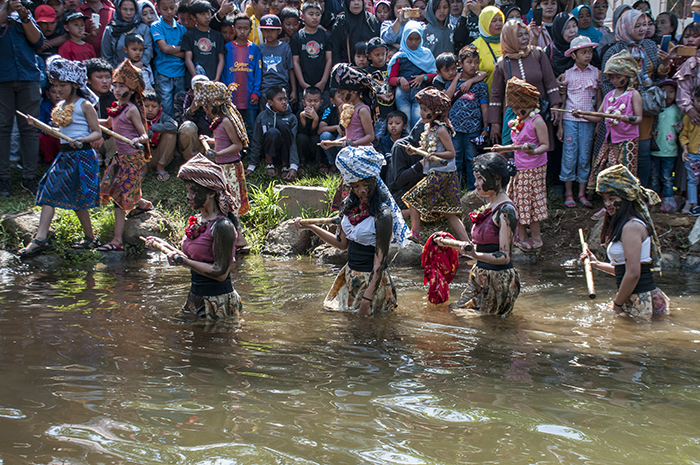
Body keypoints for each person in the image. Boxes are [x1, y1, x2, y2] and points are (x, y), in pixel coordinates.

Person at [294, 146, 408, 315]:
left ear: (375, 182)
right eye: (356, 186)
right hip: (350, 275)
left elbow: (379, 263)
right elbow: (341, 244)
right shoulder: (349, 207)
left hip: (372, 281)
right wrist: (311, 227)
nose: (361, 190)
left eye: (365, 185)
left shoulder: (382, 215)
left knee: (370, 329)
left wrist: (367, 299)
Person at [19, 56, 102, 256]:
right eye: (55, 86)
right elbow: (57, 133)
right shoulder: (60, 106)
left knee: (77, 199)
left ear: (74, 84)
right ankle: (41, 238)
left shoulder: (85, 105)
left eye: (63, 85)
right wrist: (38, 125)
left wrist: (81, 139)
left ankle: (89, 238)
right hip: (65, 157)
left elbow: (97, 133)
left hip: (81, 156)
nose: (58, 90)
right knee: (49, 191)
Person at [145, 154, 243, 326]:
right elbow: (194, 257)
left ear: (212, 192)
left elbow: (220, 273)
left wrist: (183, 262)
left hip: (217, 302)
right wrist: (164, 245)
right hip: (195, 297)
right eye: (187, 191)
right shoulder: (197, 220)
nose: (188, 196)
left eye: (194, 191)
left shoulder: (222, 226)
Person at [580, 164, 669, 320]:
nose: (607, 204)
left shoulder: (631, 227)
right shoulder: (627, 225)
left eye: (612, 199)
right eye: (605, 199)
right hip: (634, 297)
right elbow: (624, 271)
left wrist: (617, 305)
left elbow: (634, 275)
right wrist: (596, 264)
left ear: (626, 198)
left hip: (641, 300)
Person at [598, 8, 669, 188]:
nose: (642, 29)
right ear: (626, 26)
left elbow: (658, 77)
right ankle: (617, 195)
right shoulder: (614, 49)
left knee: (643, 152)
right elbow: (606, 82)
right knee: (619, 153)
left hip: (645, 107)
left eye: (645, 25)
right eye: (637, 25)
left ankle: (640, 192)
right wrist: (618, 102)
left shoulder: (650, 46)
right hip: (620, 108)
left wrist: (665, 64)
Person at [448, 152, 520, 316]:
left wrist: (474, 254)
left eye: (480, 178)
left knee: (484, 325)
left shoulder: (506, 210)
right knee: (454, 312)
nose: (476, 183)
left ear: (496, 179)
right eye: (476, 178)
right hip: (481, 275)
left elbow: (504, 256)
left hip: (497, 280)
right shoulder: (490, 206)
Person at [98, 59, 154, 252]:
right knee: (118, 191)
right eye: (115, 85)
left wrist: (137, 140)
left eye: (121, 86)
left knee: (119, 199)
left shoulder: (131, 110)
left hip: (131, 158)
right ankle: (143, 204)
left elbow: (145, 134)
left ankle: (117, 241)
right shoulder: (116, 107)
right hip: (120, 158)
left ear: (130, 90)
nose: (116, 89)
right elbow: (107, 124)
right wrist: (88, 118)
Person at [402, 88, 469, 243]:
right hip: (439, 173)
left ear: (437, 111)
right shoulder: (429, 128)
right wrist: (415, 151)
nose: (421, 113)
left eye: (425, 110)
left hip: (442, 174)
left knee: (412, 199)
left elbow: (451, 153)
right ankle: (467, 243)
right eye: (421, 109)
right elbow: (428, 150)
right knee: (449, 213)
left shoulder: (441, 130)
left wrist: (435, 155)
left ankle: (415, 233)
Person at [487, 19, 561, 149]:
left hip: (539, 115)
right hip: (515, 118)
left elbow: (550, 82)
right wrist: (495, 123)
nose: (524, 38)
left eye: (526, 34)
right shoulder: (502, 63)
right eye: (519, 35)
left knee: (540, 149)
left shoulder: (537, 53)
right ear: (509, 38)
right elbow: (496, 96)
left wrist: (555, 105)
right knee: (516, 152)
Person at [194, 80, 251, 247]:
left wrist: (218, 153)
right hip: (222, 167)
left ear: (216, 105)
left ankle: (240, 238)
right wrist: (210, 141)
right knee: (223, 202)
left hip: (231, 168)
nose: (205, 108)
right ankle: (231, 238)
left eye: (206, 105)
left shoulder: (226, 120)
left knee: (231, 204)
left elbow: (237, 145)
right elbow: (223, 140)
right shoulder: (219, 121)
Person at [498, 77, 549, 250]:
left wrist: (532, 151)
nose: (518, 112)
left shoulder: (537, 121)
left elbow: (545, 145)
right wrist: (503, 149)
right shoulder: (518, 121)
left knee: (531, 202)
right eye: (515, 109)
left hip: (534, 169)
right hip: (519, 168)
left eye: (522, 108)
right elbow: (516, 146)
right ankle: (521, 237)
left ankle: (536, 239)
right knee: (518, 202)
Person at [0, 0, 45, 198]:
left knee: (29, 128)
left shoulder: (23, 13)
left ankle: (29, 178)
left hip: (28, 77)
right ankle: (3, 179)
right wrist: (6, 8)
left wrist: (25, 17)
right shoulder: (5, 10)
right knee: (2, 128)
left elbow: (38, 41)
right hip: (2, 78)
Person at [583, 50, 642, 192]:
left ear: (628, 76)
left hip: (628, 141)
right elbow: (598, 116)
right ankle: (611, 204)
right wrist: (581, 115)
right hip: (610, 140)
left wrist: (625, 118)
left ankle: (626, 205)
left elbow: (639, 118)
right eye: (612, 77)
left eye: (618, 77)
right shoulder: (609, 95)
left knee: (625, 174)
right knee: (610, 171)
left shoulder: (633, 94)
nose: (615, 81)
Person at [560, 35, 600, 208]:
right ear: (574, 55)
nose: (587, 55)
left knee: (584, 156)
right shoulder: (567, 75)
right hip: (570, 120)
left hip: (588, 121)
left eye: (589, 52)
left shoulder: (596, 73)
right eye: (583, 52)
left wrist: (598, 122)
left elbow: (599, 101)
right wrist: (560, 125)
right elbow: (562, 102)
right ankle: (569, 193)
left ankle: (582, 193)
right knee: (569, 156)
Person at [446, 44, 488, 190]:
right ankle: (454, 190)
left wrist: (486, 127)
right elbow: (447, 98)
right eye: (469, 62)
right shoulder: (453, 80)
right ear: (460, 63)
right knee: (455, 159)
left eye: (476, 62)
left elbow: (484, 107)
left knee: (472, 160)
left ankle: (473, 189)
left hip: (473, 128)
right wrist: (457, 79)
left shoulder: (481, 85)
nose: (473, 66)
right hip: (455, 128)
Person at [387, 21, 437, 129]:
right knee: (404, 122)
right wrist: (400, 80)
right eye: (410, 39)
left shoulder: (426, 54)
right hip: (402, 93)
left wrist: (423, 77)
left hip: (420, 93)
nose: (414, 42)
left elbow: (435, 74)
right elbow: (391, 78)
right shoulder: (399, 56)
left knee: (418, 121)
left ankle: (418, 144)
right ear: (405, 38)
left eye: (417, 39)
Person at [246, 86, 300, 179]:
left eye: (285, 99)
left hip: (284, 151)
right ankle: (269, 162)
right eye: (280, 99)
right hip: (267, 150)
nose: (284, 102)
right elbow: (256, 140)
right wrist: (251, 166)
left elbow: (293, 142)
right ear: (270, 103)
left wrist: (293, 167)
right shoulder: (262, 116)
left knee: (283, 125)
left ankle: (285, 165)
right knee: (272, 132)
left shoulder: (291, 117)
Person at [224, 13, 261, 142]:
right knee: (233, 127)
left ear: (250, 30)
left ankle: (251, 155)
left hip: (249, 96)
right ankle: (236, 154)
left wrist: (255, 93)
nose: (242, 31)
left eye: (246, 28)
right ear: (234, 28)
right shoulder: (228, 48)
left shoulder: (255, 49)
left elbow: (258, 72)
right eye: (239, 28)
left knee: (250, 127)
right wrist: (225, 93)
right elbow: (224, 71)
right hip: (232, 97)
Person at [151, 0, 186, 117]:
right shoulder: (156, 26)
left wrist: (169, 49)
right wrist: (178, 49)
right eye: (165, 9)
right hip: (163, 73)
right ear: (159, 9)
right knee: (165, 107)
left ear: (175, 7)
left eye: (172, 8)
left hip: (180, 72)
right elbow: (164, 48)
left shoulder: (182, 29)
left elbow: (185, 53)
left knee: (180, 107)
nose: (169, 12)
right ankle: (168, 133)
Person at [651, 79, 682, 212]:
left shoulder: (677, 111)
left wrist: (679, 128)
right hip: (655, 150)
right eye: (664, 91)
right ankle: (653, 200)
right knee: (654, 176)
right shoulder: (655, 109)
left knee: (667, 177)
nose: (668, 95)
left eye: (671, 91)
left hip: (670, 151)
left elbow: (679, 129)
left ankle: (668, 201)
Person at [291, 2, 332, 100]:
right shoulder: (297, 38)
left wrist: (323, 81)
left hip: (323, 86)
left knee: (324, 113)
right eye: (311, 14)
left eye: (318, 14)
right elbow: (295, 62)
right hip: (304, 85)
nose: (315, 17)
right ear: (302, 16)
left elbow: (329, 60)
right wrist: (302, 83)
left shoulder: (326, 36)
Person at [182, 0, 225, 84]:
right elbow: (188, 59)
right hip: (195, 82)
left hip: (214, 81)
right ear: (193, 17)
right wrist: (196, 78)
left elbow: (221, 59)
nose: (207, 17)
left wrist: (216, 78)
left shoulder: (217, 35)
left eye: (209, 13)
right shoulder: (189, 35)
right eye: (203, 14)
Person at [102, 0, 154, 69]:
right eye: (124, 9)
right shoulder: (111, 30)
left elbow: (148, 49)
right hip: (117, 73)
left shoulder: (143, 28)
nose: (128, 13)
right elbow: (106, 57)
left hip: (141, 71)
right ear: (118, 9)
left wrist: (140, 64)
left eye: (132, 9)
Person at [259, 14, 296, 106]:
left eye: (272, 30)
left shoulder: (285, 47)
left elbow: (290, 69)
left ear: (279, 31)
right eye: (266, 30)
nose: (269, 33)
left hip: (282, 87)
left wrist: (294, 90)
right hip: (265, 88)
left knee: (283, 115)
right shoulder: (259, 49)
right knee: (265, 116)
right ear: (261, 31)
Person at [330, 0, 380, 64]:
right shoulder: (341, 22)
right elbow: (335, 50)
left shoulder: (372, 21)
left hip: (370, 67)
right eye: (353, 0)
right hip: (347, 67)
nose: (356, 3)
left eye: (359, 0)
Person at [143, 89, 178, 180]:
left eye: (154, 106)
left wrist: (152, 128)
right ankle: (143, 167)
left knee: (170, 134)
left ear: (159, 106)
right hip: (143, 156)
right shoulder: (137, 116)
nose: (150, 110)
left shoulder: (163, 116)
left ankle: (160, 166)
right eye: (146, 106)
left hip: (161, 155)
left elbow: (174, 126)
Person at [471, 6, 503, 92]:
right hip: (485, 98)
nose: (498, 23)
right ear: (485, 22)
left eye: (500, 20)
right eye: (494, 20)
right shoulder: (475, 46)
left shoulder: (507, 41)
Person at [680, 87, 700, 216]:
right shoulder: (688, 117)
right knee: (692, 180)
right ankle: (694, 205)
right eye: (698, 100)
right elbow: (683, 135)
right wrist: (685, 149)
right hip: (693, 153)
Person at [296, 86, 324, 173]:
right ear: (303, 102)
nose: (312, 104)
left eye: (316, 101)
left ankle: (320, 162)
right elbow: (302, 131)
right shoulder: (300, 113)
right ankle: (302, 161)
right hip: (304, 144)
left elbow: (315, 132)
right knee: (301, 137)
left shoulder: (323, 113)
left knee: (316, 138)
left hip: (315, 145)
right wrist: (302, 118)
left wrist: (316, 119)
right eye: (309, 101)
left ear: (321, 102)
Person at [545, 12, 578, 78]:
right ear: (558, 30)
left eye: (574, 26)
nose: (572, 31)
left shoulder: (581, 47)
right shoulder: (549, 51)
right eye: (567, 27)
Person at [318, 88, 344, 170]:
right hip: (332, 139)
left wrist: (341, 113)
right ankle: (333, 164)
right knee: (324, 136)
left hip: (345, 139)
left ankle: (343, 164)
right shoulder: (329, 109)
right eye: (339, 96)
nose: (343, 99)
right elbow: (320, 129)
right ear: (332, 101)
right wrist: (336, 127)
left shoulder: (351, 109)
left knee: (340, 138)